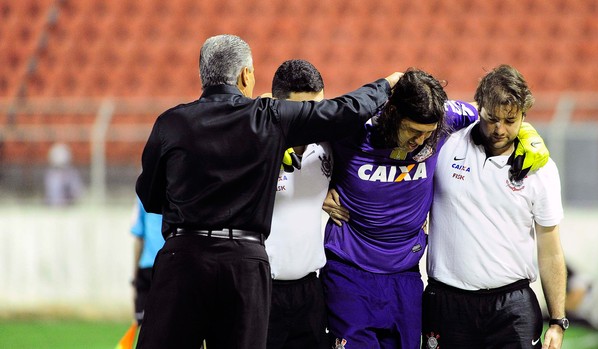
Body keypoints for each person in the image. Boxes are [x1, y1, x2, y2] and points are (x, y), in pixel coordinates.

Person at [134, 34, 402, 349]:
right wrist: (385, 85)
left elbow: (150, 196)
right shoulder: (268, 117)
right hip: (244, 263)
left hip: (183, 257)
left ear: (202, 74)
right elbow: (344, 110)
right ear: (247, 75)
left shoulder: (171, 122)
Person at [321, 68, 550, 348]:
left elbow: (492, 109)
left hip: (406, 275)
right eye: (414, 131)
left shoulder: (446, 118)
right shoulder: (352, 127)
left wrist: (525, 131)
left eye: (428, 134)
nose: (420, 141)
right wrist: (317, 188)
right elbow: (291, 113)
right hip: (350, 270)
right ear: (393, 114)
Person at [422, 64, 567, 349]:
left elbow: (550, 249)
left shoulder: (542, 170)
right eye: (491, 118)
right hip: (448, 303)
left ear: (524, 116)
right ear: (479, 108)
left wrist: (558, 320)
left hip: (512, 307)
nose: (499, 129)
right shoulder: (446, 145)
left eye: (510, 120)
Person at [264, 59, 330, 349]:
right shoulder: (256, 142)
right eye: (303, 109)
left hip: (310, 291)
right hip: (261, 290)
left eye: (319, 106)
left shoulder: (329, 144)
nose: (314, 117)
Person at [129, 197, 164, 328]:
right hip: (168, 265)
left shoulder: (145, 191)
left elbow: (139, 237)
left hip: (149, 267)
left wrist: (134, 277)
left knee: (146, 328)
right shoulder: (179, 187)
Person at [44, 142, 83, 206]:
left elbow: (77, 193)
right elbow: (51, 194)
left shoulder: (72, 173)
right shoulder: (51, 175)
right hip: (55, 206)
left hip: (69, 205)